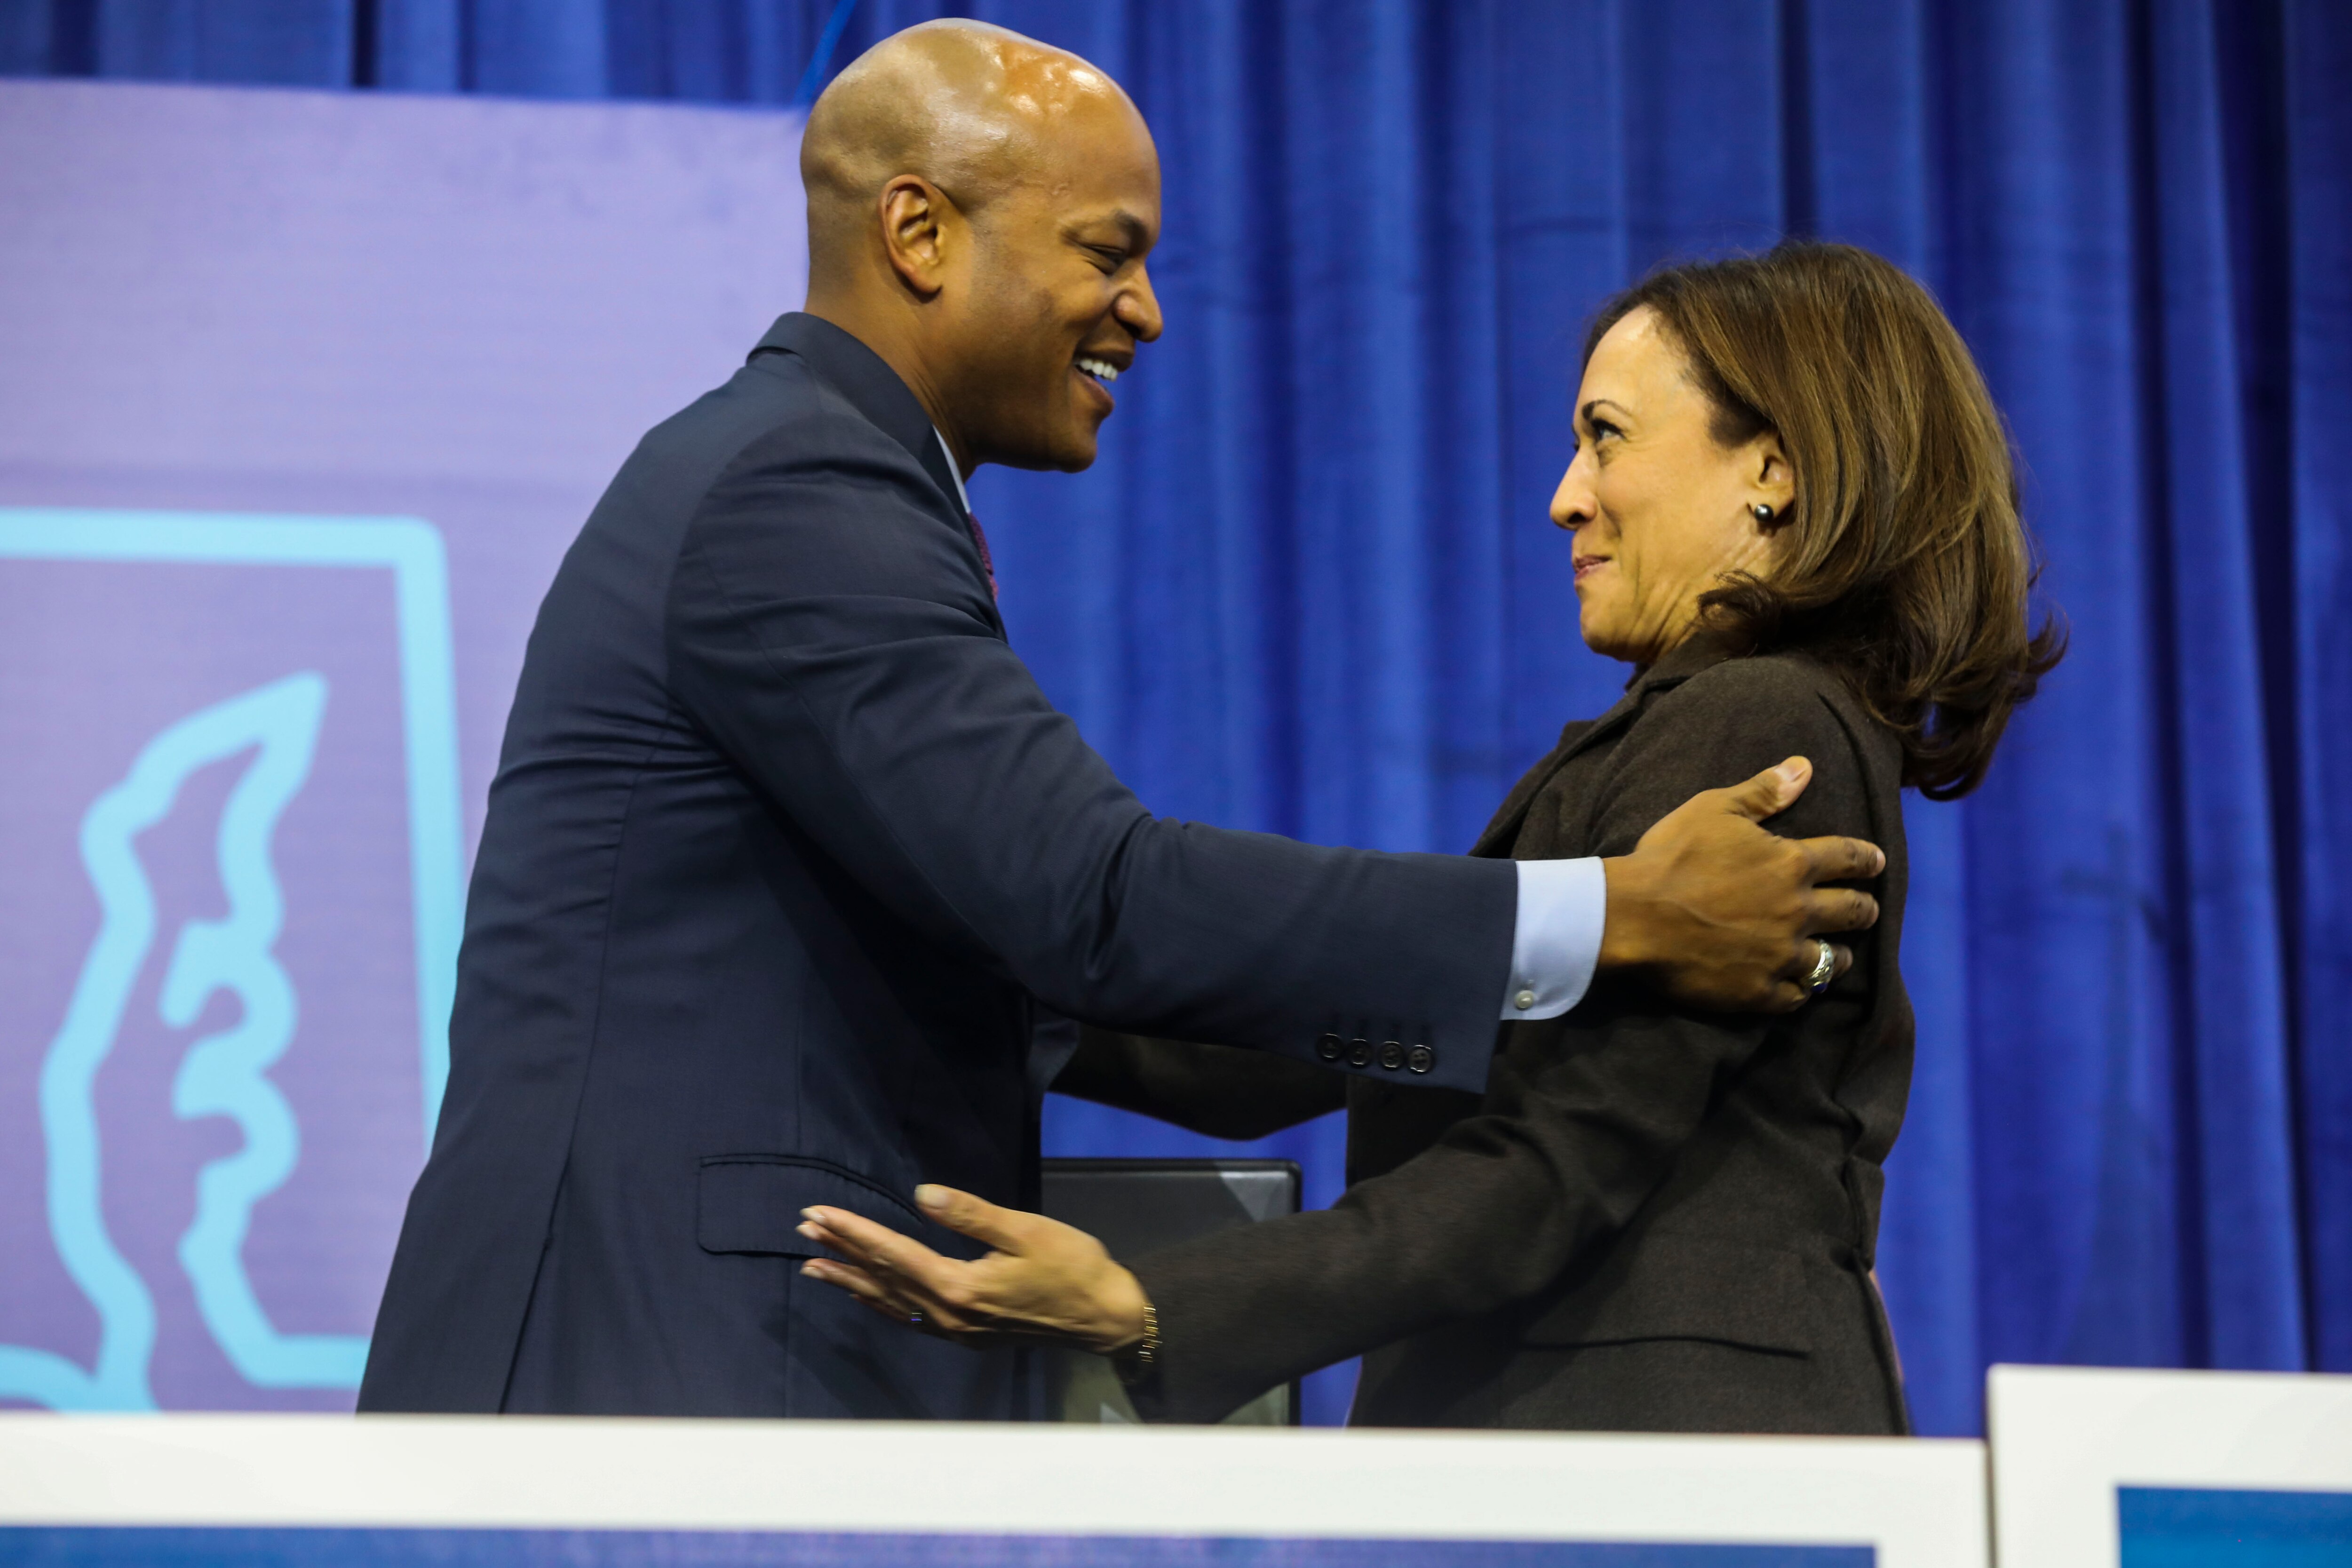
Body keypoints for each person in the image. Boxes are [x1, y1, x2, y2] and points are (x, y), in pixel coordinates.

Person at [358, 24, 1884, 1422]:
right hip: (654, 1370)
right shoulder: (799, 486)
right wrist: (1608, 916)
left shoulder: (815, 476)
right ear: (920, 233)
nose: (1146, 311)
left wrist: (1173, 1282)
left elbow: (1064, 961)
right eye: (1110, 252)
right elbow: (1095, 903)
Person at [797, 241, 2064, 1433]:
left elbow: (1555, 1163)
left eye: (1606, 437)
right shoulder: (1700, 725)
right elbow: (1340, 1048)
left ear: (1772, 471)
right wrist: (960, 984)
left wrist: (1150, 1307)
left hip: (1660, 1459)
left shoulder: (1758, 720)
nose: (1566, 498)